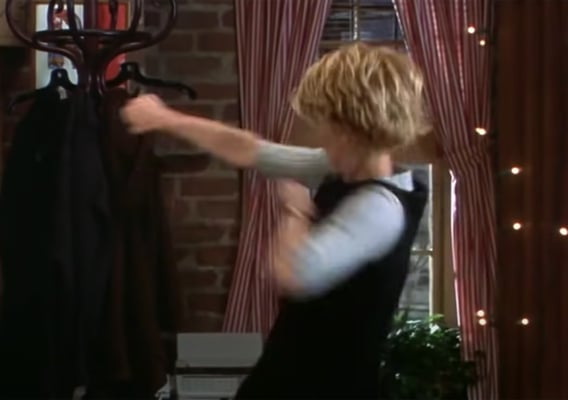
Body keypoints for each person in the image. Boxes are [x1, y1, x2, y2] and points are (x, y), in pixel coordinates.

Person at [120, 42, 430, 399]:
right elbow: (250, 150)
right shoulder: (345, 168)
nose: (320, 136)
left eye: (325, 125)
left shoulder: (379, 208)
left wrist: (296, 212)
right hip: (291, 373)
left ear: (351, 128)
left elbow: (295, 272)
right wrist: (167, 120)